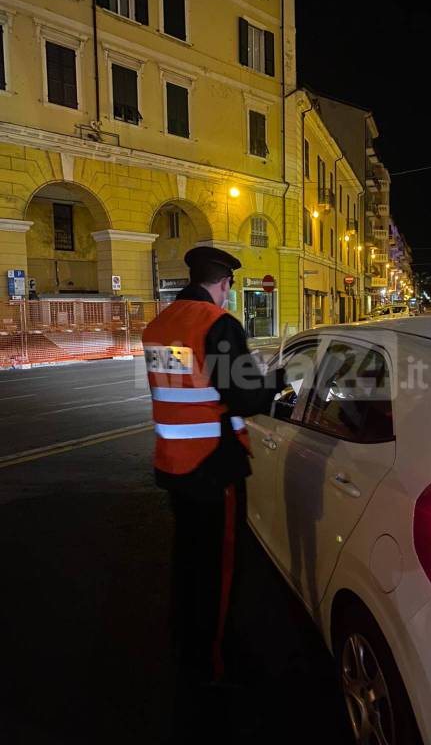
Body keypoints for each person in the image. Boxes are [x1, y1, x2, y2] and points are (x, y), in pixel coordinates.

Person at [142, 247, 285, 742]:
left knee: (188, 561)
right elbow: (243, 395)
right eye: (228, 286)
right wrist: (280, 386)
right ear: (223, 282)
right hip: (212, 465)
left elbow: (186, 386)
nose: (228, 293)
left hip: (174, 463)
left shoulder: (160, 324)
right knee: (220, 571)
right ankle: (213, 664)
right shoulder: (217, 323)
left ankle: (186, 640)